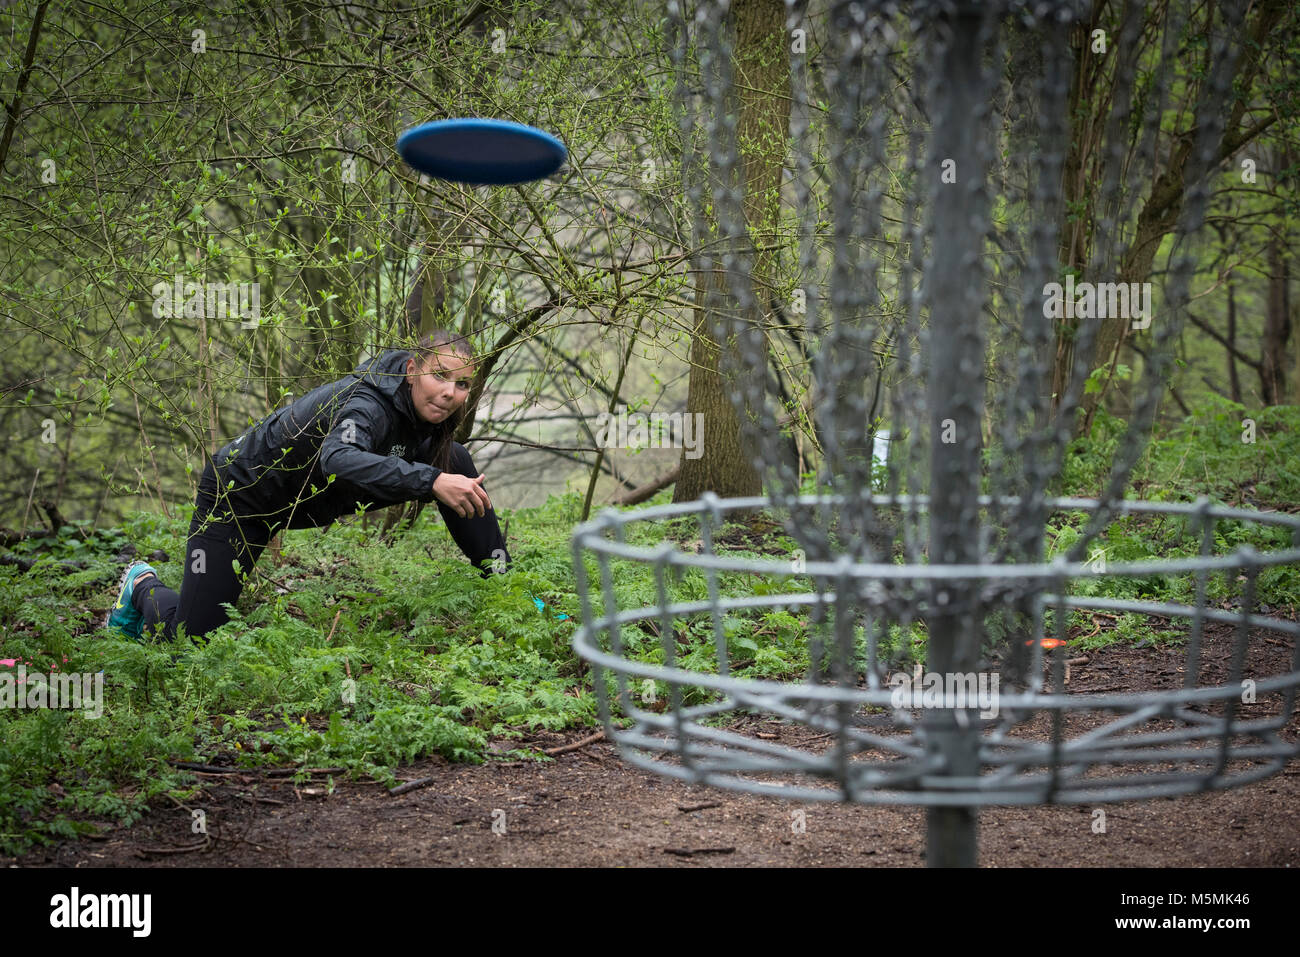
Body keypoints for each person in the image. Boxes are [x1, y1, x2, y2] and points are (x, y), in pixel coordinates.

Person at [106, 329, 509, 642]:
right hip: (238, 498)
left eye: (462, 384)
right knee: (192, 638)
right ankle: (142, 584)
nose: (449, 393)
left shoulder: (423, 411)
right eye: (439, 375)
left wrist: (438, 474)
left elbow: (431, 462)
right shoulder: (365, 403)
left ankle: (505, 584)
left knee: (454, 460)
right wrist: (431, 480)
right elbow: (339, 457)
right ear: (410, 370)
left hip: (299, 501)